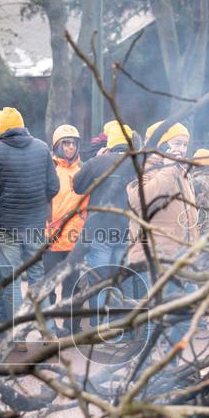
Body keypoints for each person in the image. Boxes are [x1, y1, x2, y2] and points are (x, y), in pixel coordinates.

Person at [0, 107, 59, 347]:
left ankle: (17, 336)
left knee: (11, 279)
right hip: (35, 224)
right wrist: (36, 204)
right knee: (37, 276)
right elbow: (53, 186)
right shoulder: (42, 148)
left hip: (6, 226)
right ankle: (48, 332)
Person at [126, 120, 197, 344]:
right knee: (157, 318)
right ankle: (146, 369)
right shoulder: (147, 166)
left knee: (185, 314)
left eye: (185, 144)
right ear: (163, 144)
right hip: (156, 256)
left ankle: (169, 368)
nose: (182, 149)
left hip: (181, 256)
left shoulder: (180, 171)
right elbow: (141, 199)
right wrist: (168, 167)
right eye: (177, 143)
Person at [73, 120, 137, 325]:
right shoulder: (139, 163)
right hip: (126, 230)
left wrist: (96, 160)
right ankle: (121, 328)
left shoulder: (98, 161)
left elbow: (77, 186)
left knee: (99, 280)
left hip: (99, 229)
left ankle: (99, 327)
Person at [43, 124, 85, 332]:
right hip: (50, 238)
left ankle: (72, 325)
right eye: (66, 143)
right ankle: (50, 326)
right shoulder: (48, 169)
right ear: (57, 146)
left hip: (75, 239)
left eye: (73, 143)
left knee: (73, 286)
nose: (70, 148)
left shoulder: (83, 170)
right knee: (49, 286)